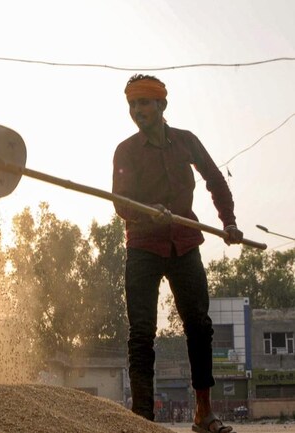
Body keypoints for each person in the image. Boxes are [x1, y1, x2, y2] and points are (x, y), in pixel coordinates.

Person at [112, 74, 243, 433]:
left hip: (185, 244)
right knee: (141, 333)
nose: (137, 111)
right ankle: (143, 421)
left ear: (162, 106)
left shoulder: (186, 142)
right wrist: (146, 210)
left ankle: (204, 413)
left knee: (199, 327)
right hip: (143, 246)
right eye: (132, 105)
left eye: (144, 103)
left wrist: (228, 222)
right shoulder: (126, 151)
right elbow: (120, 201)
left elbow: (215, 180)